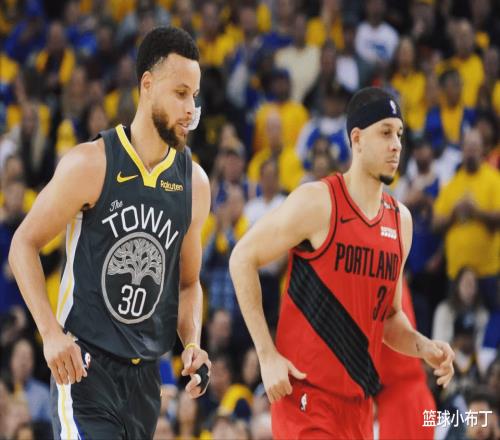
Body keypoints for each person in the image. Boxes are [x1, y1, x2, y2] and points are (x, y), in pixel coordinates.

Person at [8, 26, 212, 439]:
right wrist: (50, 334)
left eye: (194, 96)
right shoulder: (91, 163)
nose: (190, 109)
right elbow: (23, 245)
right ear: (147, 85)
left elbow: (188, 284)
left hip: (145, 382)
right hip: (85, 368)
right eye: (180, 93)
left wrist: (192, 343)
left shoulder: (195, 183)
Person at [229, 87, 455, 438]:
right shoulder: (318, 202)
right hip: (306, 401)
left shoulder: (401, 222)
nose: (396, 145)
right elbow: (242, 257)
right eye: (385, 133)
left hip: (359, 409)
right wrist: (266, 354)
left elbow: (389, 318)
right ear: (357, 139)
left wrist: (422, 346)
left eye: (399, 134)